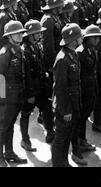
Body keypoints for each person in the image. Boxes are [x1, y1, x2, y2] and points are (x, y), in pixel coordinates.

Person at [51, 23, 84, 167]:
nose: (82, 39)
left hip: (73, 101)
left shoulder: (73, 54)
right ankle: (58, 163)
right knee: (61, 137)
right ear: (73, 40)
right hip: (65, 105)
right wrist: (65, 111)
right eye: (79, 37)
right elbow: (60, 88)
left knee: (67, 135)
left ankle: (63, 162)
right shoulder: (62, 59)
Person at [20, 20, 55, 150]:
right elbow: (25, 75)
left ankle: (50, 132)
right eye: (38, 33)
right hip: (31, 88)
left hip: (41, 86)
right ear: (31, 35)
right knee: (26, 113)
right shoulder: (25, 51)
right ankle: (25, 140)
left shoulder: (37, 46)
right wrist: (29, 94)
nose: (40, 35)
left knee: (46, 108)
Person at [0, 21, 28, 167]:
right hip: (7, 97)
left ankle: (9, 152)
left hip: (17, 95)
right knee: (3, 127)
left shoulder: (19, 50)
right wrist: (2, 99)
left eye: (21, 32)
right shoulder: (5, 52)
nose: (20, 35)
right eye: (17, 33)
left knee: (10, 125)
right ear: (9, 36)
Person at [77, 25, 101, 153]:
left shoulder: (92, 51)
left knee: (85, 115)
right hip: (83, 89)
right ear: (87, 38)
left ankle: (82, 139)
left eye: (98, 38)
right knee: (81, 117)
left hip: (91, 88)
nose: (97, 40)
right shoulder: (80, 53)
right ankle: (79, 141)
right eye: (94, 38)